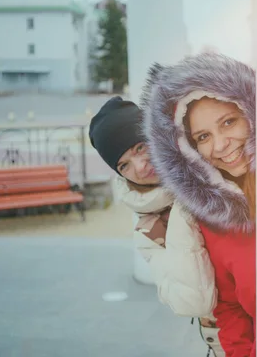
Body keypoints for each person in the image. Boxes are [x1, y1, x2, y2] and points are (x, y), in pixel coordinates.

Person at [88, 96, 225, 356]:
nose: (140, 167)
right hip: (224, 341)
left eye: (140, 147)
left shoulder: (217, 166)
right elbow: (193, 303)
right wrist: (184, 211)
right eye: (123, 165)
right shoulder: (150, 231)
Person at [141, 52, 256, 357]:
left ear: (252, 113)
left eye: (228, 122)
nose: (220, 146)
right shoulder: (214, 219)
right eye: (203, 136)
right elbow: (230, 306)